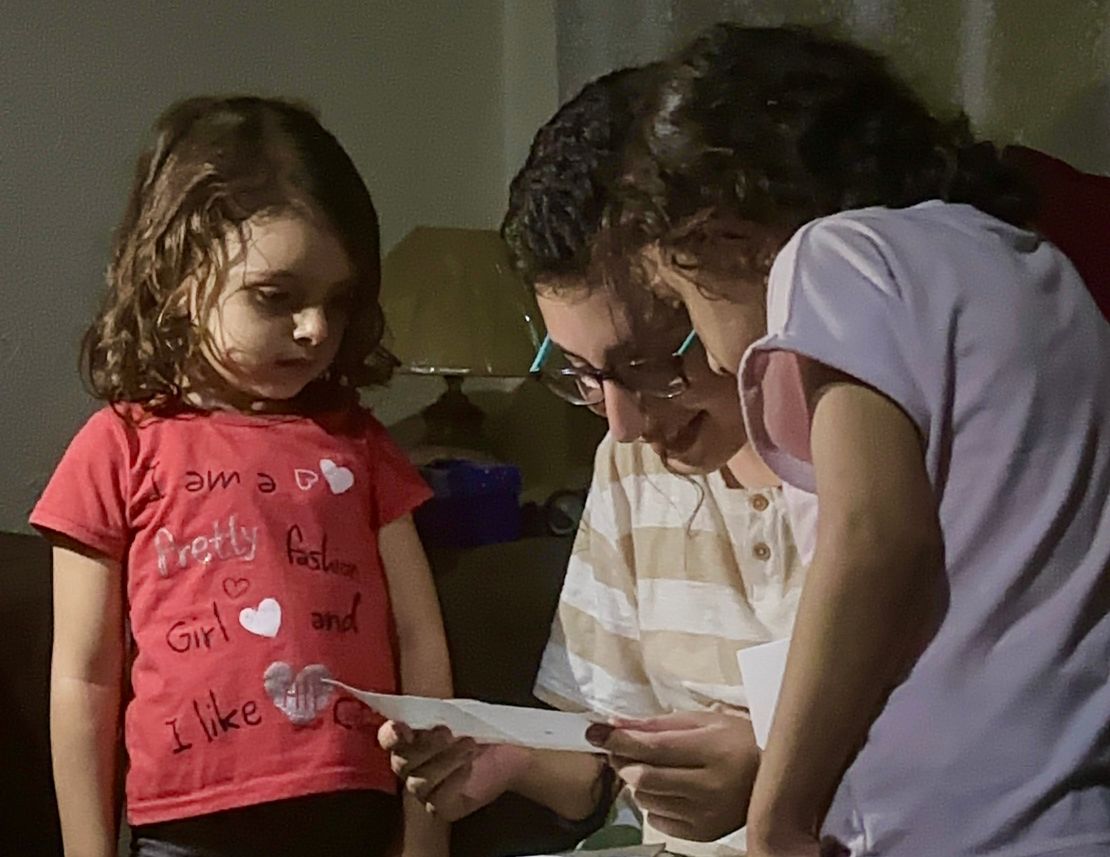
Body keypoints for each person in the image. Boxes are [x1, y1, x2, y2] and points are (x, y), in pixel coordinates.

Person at [592, 24, 1110, 857]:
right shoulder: (1043, 272)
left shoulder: (832, 254)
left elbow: (874, 536)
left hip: (949, 825)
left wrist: (777, 815)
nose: (714, 353)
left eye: (680, 303)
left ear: (723, 234)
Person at [380, 68, 807, 857]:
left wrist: (781, 768)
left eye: (649, 364)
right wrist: (508, 755)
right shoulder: (630, 462)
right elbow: (596, 764)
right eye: (581, 374)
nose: (625, 423)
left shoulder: (872, 452)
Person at [31, 97, 452, 857]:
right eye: (276, 296)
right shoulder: (116, 446)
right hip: (188, 829)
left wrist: (427, 836)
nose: (315, 328)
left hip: (352, 815)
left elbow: (420, 641)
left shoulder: (359, 445)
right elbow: (85, 679)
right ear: (179, 274)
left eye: (337, 301)